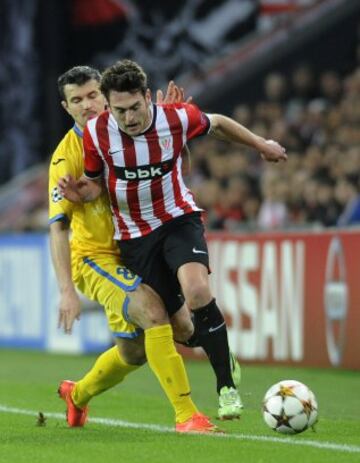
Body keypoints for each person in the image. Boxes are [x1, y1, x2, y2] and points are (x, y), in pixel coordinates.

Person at [59, 60, 287, 419]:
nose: (130, 117)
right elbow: (96, 184)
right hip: (135, 238)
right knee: (182, 328)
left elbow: (219, 124)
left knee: (198, 290)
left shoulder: (176, 117)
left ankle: (226, 388)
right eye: (120, 110)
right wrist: (80, 193)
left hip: (178, 218)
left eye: (136, 107)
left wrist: (261, 144)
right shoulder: (97, 133)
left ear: (147, 97)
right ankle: (219, 348)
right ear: (109, 106)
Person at [49, 65, 220, 433]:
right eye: (76, 101)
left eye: (93, 95)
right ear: (67, 108)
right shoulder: (68, 156)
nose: (87, 105)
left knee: (138, 350)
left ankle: (77, 394)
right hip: (98, 256)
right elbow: (58, 227)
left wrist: (169, 128)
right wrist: (66, 291)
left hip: (141, 246)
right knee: (152, 313)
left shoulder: (130, 128)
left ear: (107, 96)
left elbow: (172, 165)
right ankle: (187, 415)